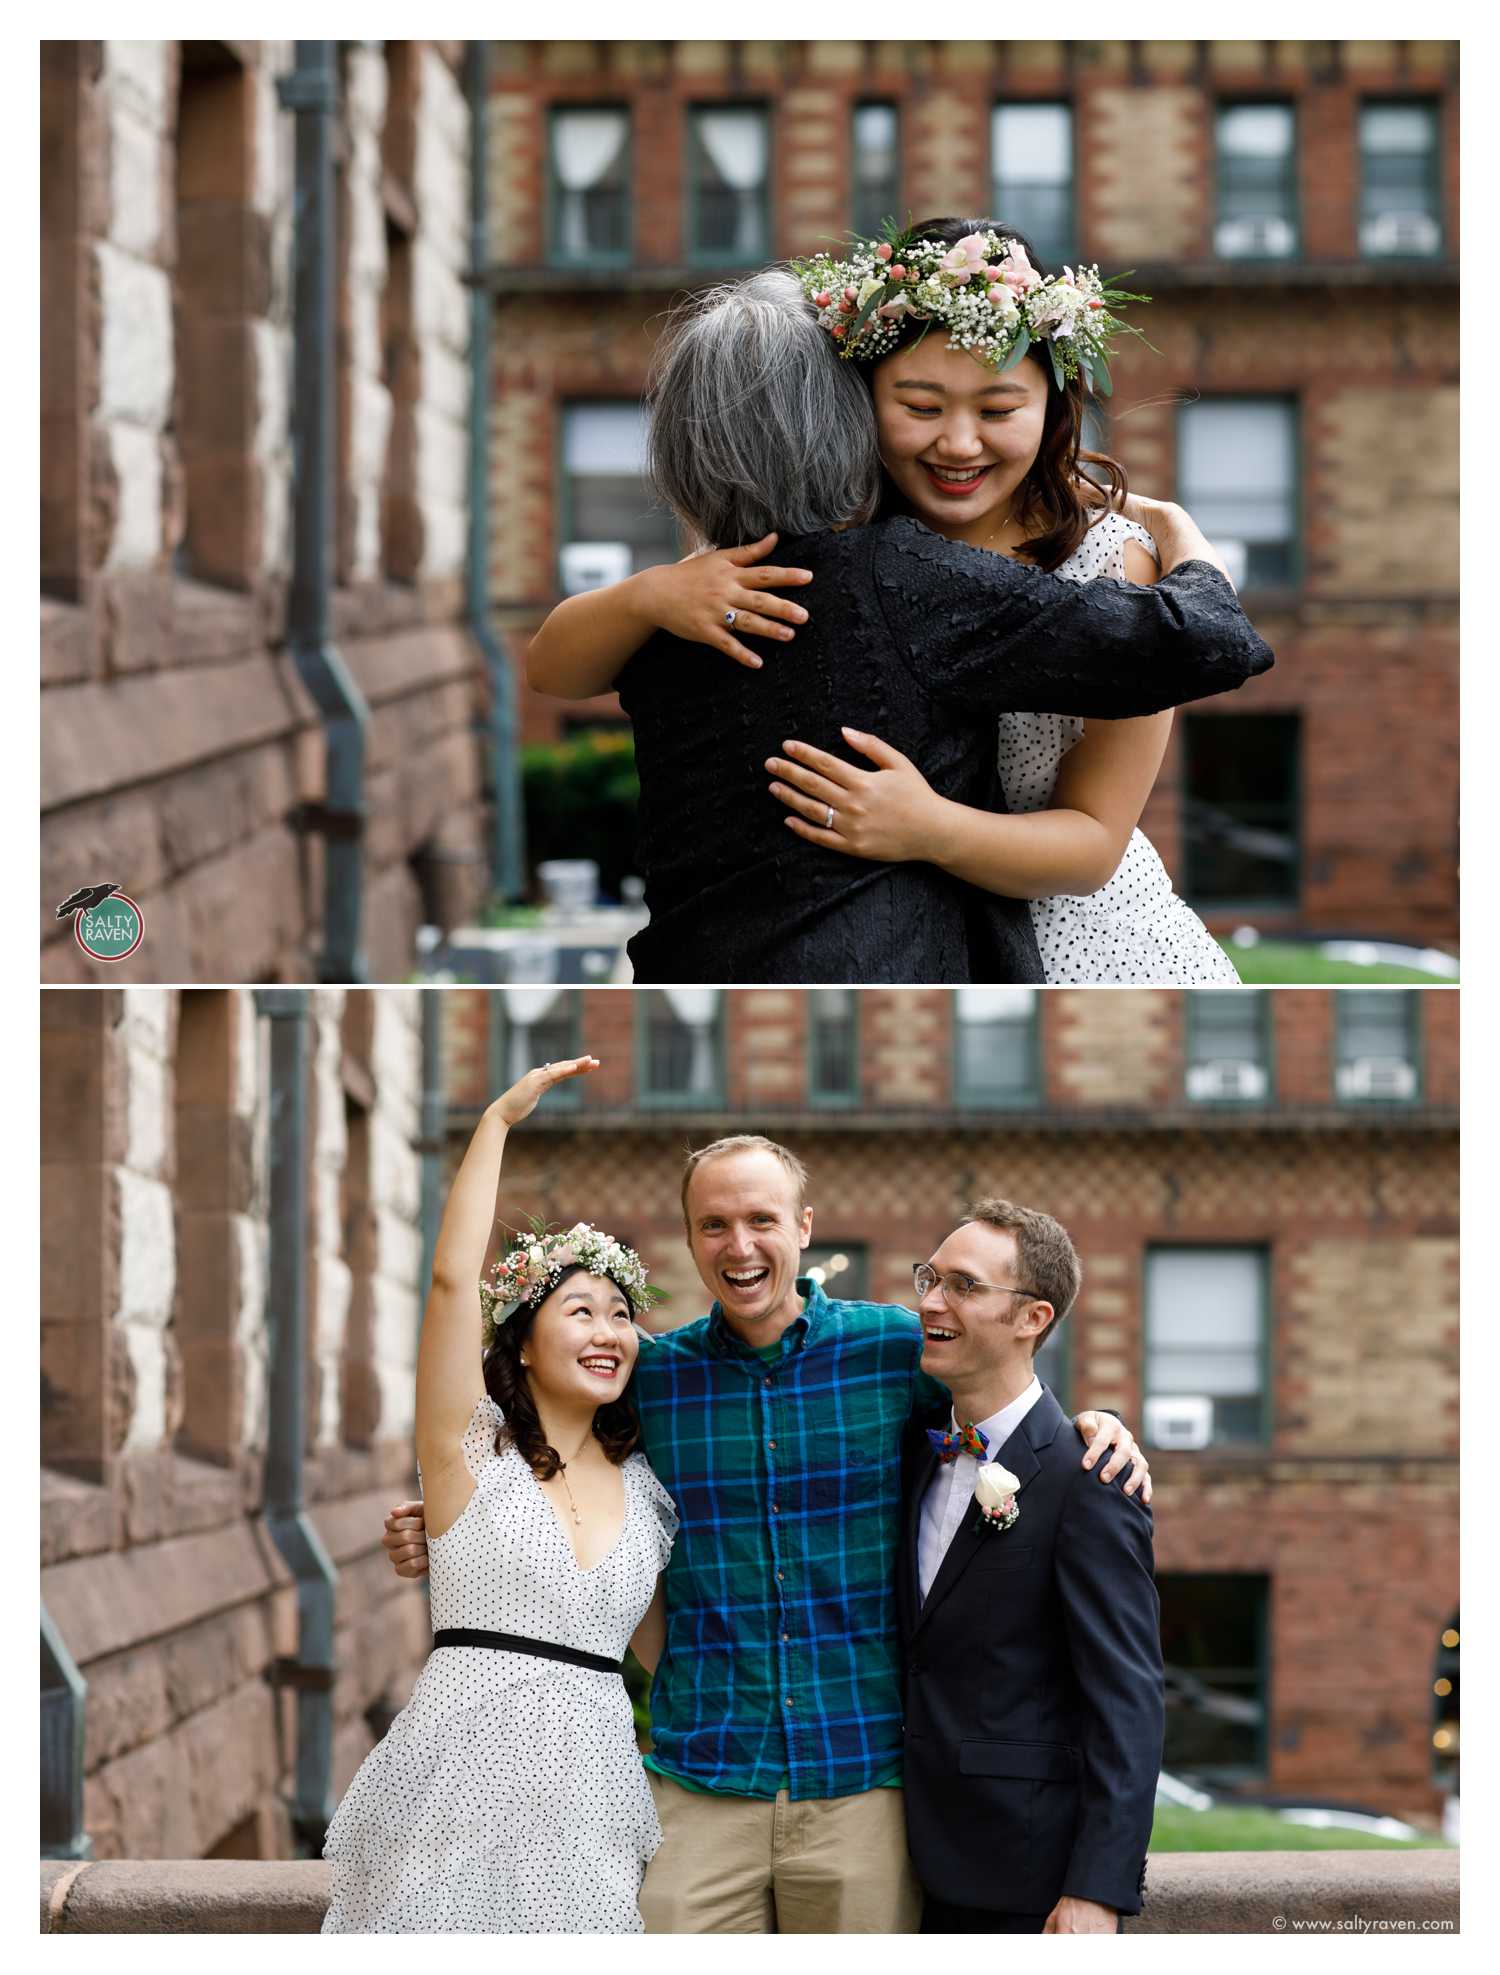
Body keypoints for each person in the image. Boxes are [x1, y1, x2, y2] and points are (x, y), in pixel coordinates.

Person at [382, 1132, 1155, 1933]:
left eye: (761, 1218)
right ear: (689, 1239)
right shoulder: (655, 1377)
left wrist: (1100, 1425)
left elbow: (1001, 1404)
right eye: (713, 1224)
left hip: (862, 1786)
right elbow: (551, 1451)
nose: (739, 1244)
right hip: (700, 1783)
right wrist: (444, 1525)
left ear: (804, 1227)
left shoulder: (896, 1351)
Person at [525, 260, 1273, 984]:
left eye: (997, 406)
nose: (957, 441)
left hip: (1083, 943)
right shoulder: (746, 586)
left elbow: (1107, 819)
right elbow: (1203, 640)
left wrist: (1169, 529)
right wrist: (647, 593)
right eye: (918, 406)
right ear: (856, 415)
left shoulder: (703, 601)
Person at [321, 1056, 678, 1934]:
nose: (609, 1330)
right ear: (521, 1341)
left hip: (594, 1794)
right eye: (581, 1310)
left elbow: (672, 1661)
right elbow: (448, 1287)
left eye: (621, 1313)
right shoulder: (466, 1453)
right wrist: (497, 1123)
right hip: (460, 1778)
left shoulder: (650, 1489)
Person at [900, 1200, 1164, 1934]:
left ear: (1032, 1317)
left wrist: (1099, 1887)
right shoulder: (912, 1452)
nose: (929, 1301)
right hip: (897, 1864)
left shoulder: (1091, 1479)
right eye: (928, 1277)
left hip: (1024, 1878)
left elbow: (1127, 1699)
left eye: (963, 1285)